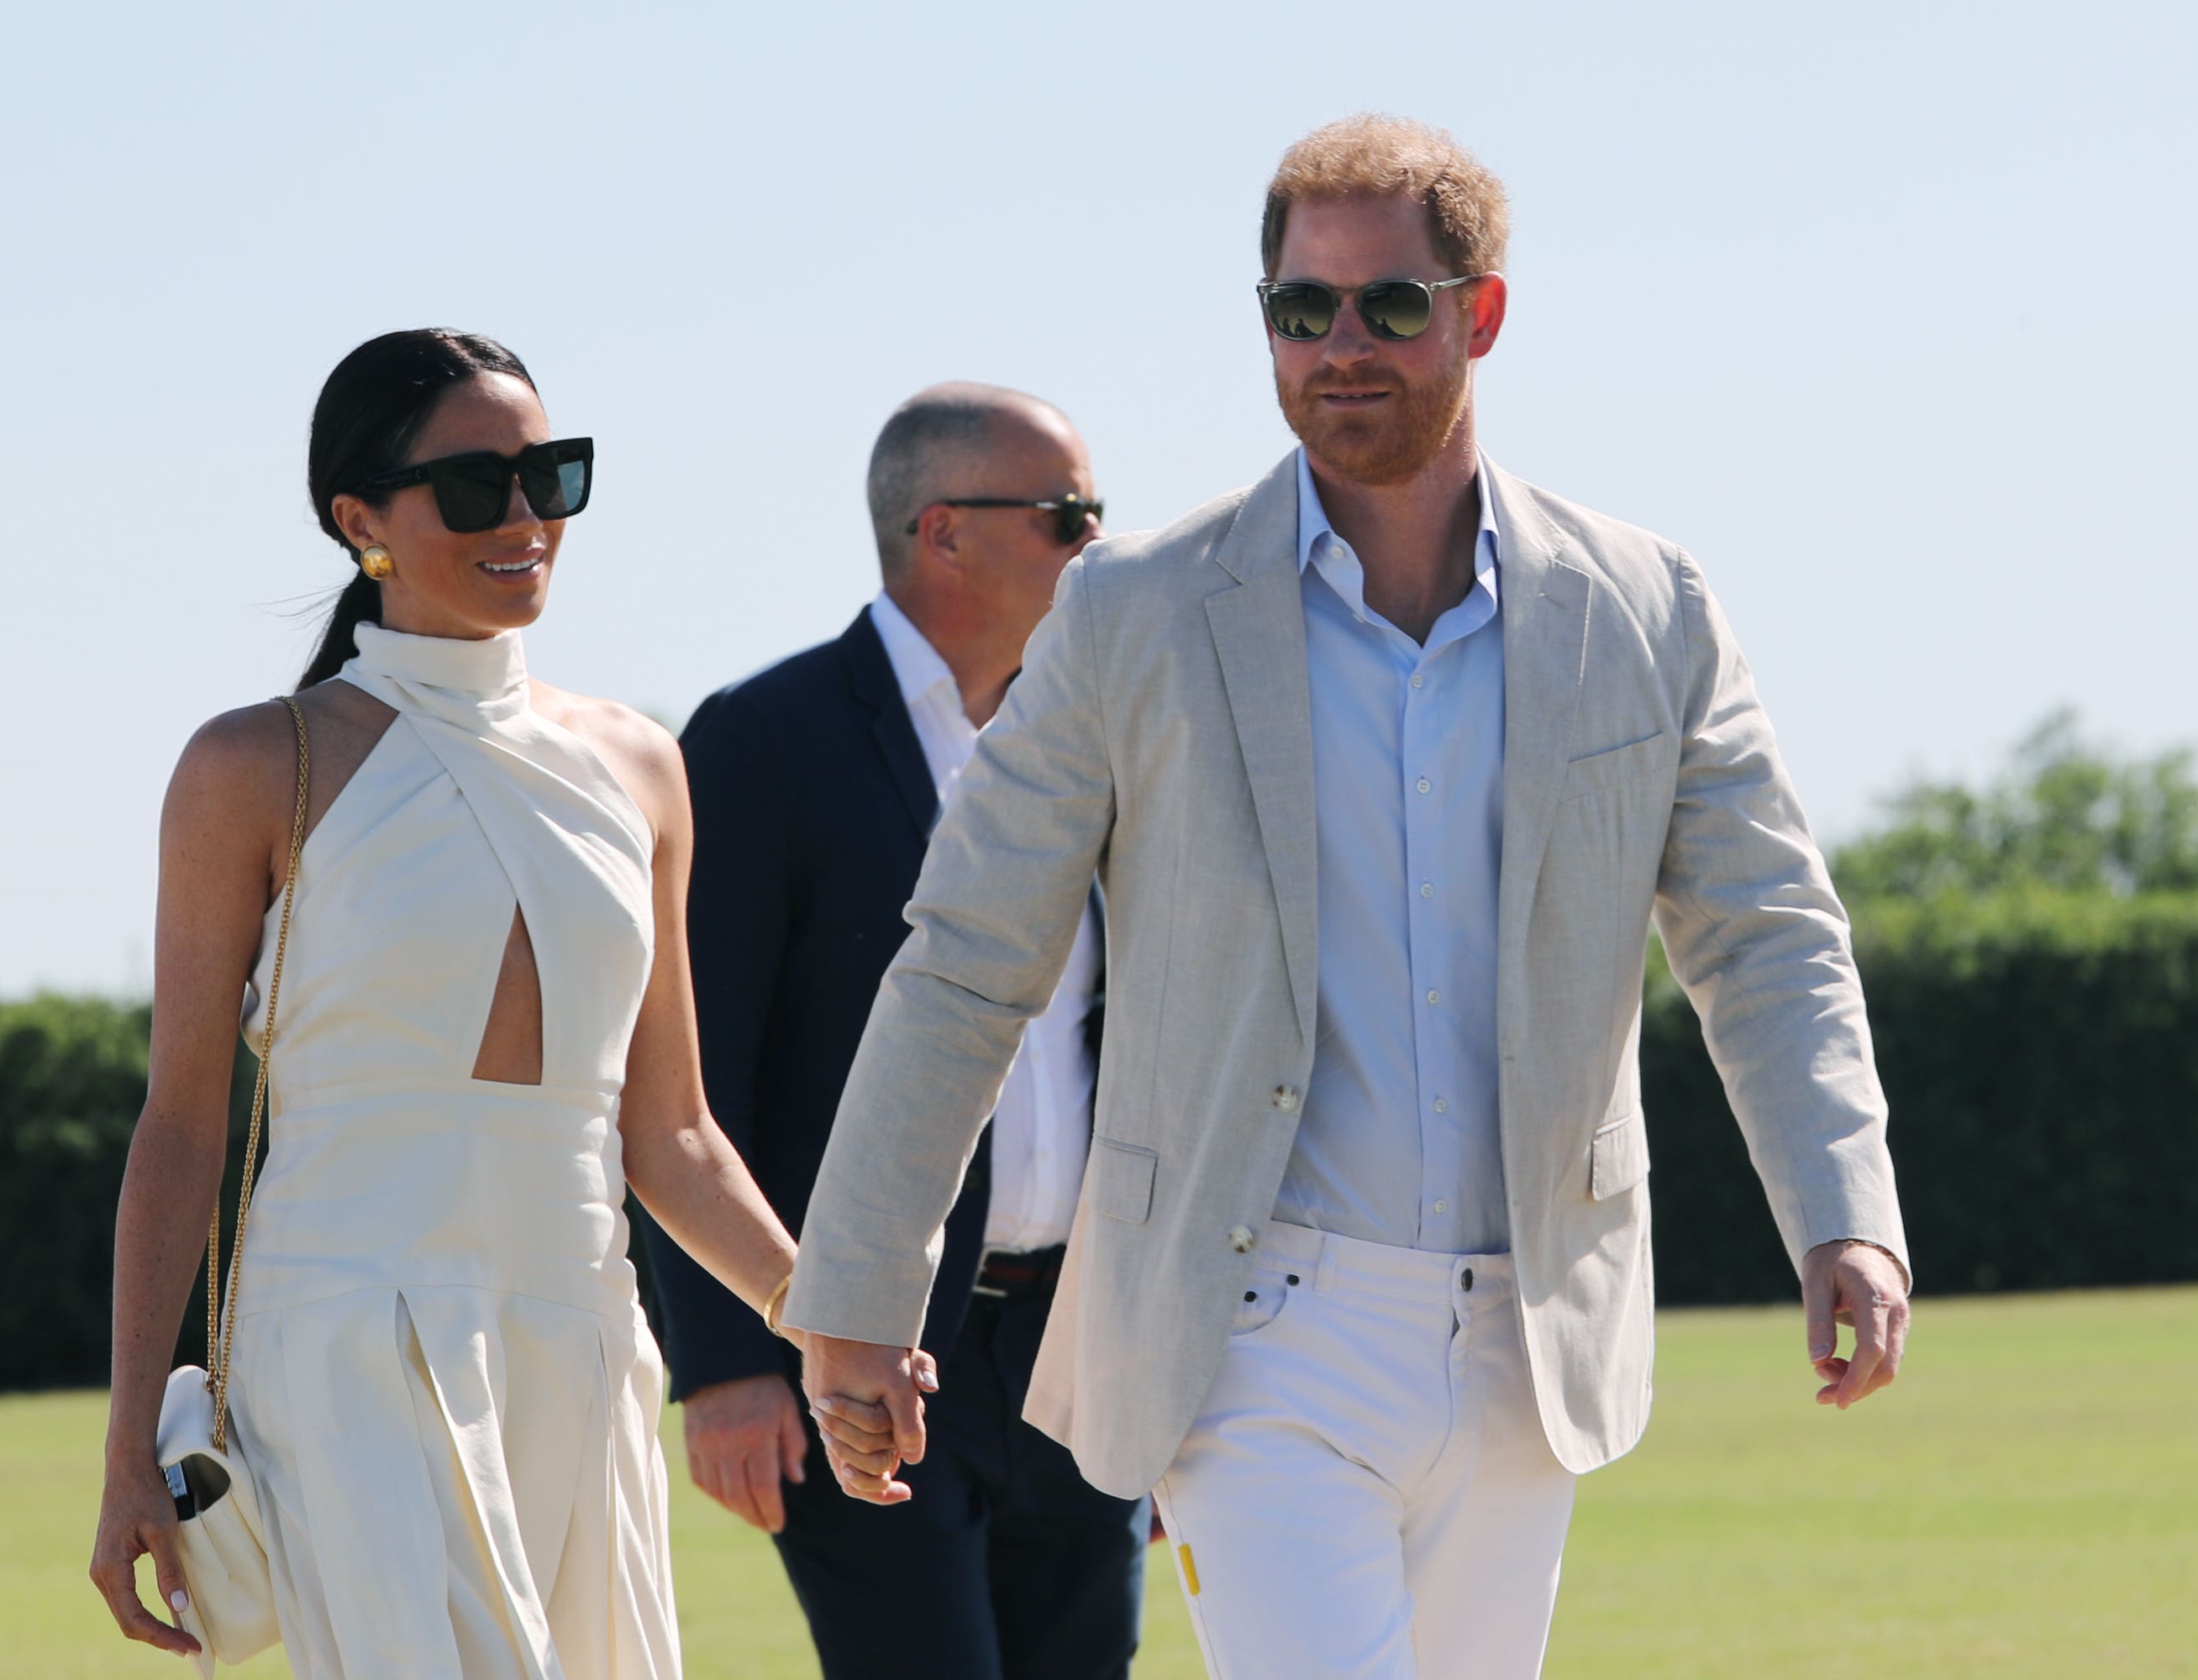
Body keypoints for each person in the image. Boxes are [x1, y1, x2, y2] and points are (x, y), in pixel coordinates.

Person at [786, 116, 1914, 1679]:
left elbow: (1766, 935)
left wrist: (1845, 1213)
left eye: (1390, 305)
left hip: (1535, 1335)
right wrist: (855, 1286)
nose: (1339, 347)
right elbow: (969, 960)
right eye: (1299, 309)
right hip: (1251, 1329)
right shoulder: (1135, 611)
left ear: (1482, 315)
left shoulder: (1647, 609)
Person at [89, 328, 904, 1678]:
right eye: (476, 486)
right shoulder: (254, 765)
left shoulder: (641, 765)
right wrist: (127, 1453)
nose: (525, 518)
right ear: (363, 522)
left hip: (576, 1332)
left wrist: (824, 1324)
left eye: (550, 477)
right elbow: (181, 1125)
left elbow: (677, 1134)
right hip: (344, 1338)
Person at [638, 382, 1148, 1680]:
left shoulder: (1098, 739)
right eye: (1068, 515)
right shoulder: (762, 742)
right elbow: (697, 1077)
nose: (1100, 544)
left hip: (1080, 1352)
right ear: (945, 533)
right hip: (864, 1356)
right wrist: (727, 1366)